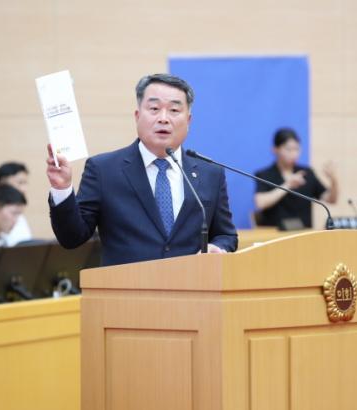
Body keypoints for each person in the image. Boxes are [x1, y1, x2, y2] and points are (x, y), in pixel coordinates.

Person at [47, 73, 238, 266]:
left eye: (174, 110)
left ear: (188, 120)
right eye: (154, 109)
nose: (163, 118)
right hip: (127, 285)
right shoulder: (103, 170)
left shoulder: (210, 174)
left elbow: (225, 235)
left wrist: (218, 247)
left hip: (192, 283)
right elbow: (72, 238)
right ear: (137, 116)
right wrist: (62, 189)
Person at [253, 127, 338, 229]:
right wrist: (288, 185)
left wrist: (334, 180)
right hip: (275, 233)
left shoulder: (307, 173)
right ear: (275, 149)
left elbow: (331, 199)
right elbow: (260, 203)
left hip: (303, 233)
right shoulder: (264, 174)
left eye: (296, 149)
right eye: (289, 149)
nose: (294, 154)